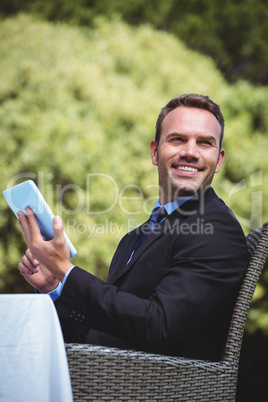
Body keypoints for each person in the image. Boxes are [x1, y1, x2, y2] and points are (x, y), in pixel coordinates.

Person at [18, 93, 249, 361]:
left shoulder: (217, 229)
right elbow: (101, 334)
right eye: (178, 139)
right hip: (106, 379)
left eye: (205, 143)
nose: (190, 151)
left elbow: (159, 328)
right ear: (154, 151)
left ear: (218, 160)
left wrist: (64, 268)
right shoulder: (134, 238)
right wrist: (53, 286)